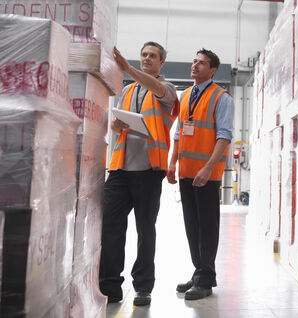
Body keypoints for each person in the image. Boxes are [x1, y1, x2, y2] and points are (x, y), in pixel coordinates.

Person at [100, 42, 178, 306]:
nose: (147, 58)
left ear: (161, 62)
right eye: (143, 54)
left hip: (148, 171)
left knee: (146, 230)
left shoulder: (166, 90)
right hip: (120, 170)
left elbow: (156, 88)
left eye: (152, 56)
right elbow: (115, 125)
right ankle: (110, 286)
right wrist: (115, 123)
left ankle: (143, 287)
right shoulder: (128, 89)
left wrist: (128, 68)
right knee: (111, 228)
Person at [167, 48, 234, 300]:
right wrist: (172, 162)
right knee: (192, 226)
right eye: (194, 61)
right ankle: (199, 272)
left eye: (202, 63)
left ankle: (205, 280)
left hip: (207, 175)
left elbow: (224, 136)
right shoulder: (186, 97)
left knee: (207, 226)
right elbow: (178, 132)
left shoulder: (221, 97)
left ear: (213, 70)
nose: (195, 65)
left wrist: (208, 168)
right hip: (186, 172)